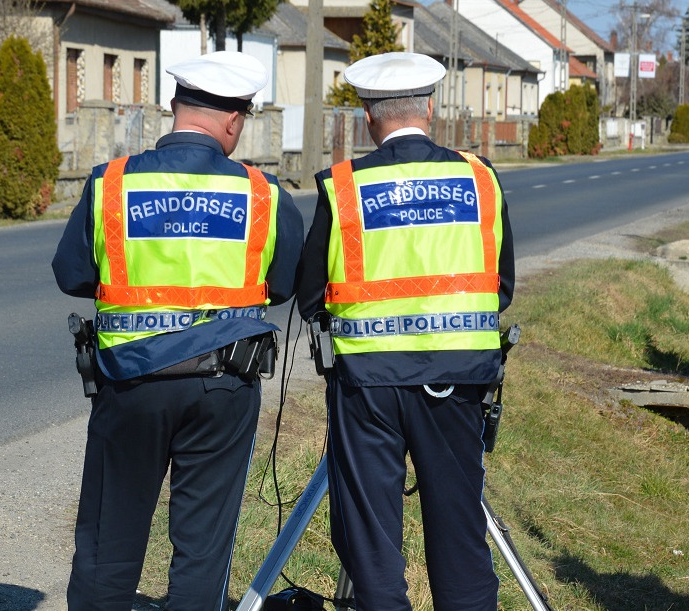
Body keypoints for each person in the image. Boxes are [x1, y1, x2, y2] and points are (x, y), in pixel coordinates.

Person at [51, 51, 303, 611]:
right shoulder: (264, 195)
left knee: (108, 540)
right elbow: (283, 285)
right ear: (236, 120)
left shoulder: (110, 184)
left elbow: (71, 274)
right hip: (224, 385)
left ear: (173, 107)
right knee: (202, 547)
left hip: (132, 383)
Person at [295, 52, 515, 611]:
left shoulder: (344, 186)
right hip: (458, 381)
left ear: (369, 117)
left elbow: (310, 295)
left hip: (368, 385)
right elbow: (500, 285)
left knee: (372, 541)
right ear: (432, 109)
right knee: (459, 531)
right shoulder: (480, 179)